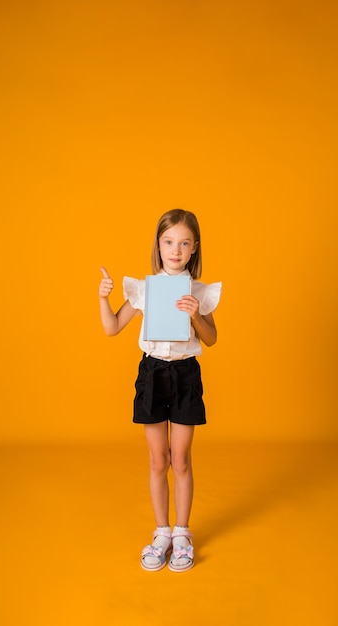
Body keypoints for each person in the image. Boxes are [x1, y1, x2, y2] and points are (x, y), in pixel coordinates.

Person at [99, 209, 221, 572]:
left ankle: (183, 534)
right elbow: (112, 328)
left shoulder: (199, 291)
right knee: (158, 460)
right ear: (158, 245)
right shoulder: (143, 287)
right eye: (169, 242)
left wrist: (196, 314)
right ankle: (162, 532)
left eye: (184, 243)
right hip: (152, 373)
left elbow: (212, 339)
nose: (176, 249)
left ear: (194, 248)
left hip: (185, 375)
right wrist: (103, 298)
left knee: (181, 459)